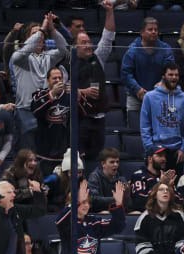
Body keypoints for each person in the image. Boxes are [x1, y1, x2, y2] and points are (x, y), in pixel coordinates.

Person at [9, 13, 68, 151]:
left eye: (41, 35)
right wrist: (42, 29)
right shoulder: (19, 58)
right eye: (34, 34)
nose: (40, 37)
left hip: (46, 109)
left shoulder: (48, 56)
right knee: (28, 154)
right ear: (26, 39)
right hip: (25, 110)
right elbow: (24, 51)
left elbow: (63, 50)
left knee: (43, 153)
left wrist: (52, 30)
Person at [74, 1, 115, 163]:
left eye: (89, 42)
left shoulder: (98, 57)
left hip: (99, 119)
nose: (89, 45)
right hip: (79, 120)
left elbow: (108, 36)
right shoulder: (67, 63)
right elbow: (61, 88)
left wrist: (110, 11)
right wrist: (82, 92)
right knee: (78, 161)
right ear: (74, 46)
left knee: (95, 159)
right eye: (83, 43)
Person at [121, 17, 175, 129]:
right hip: (136, 96)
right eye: (150, 29)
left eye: (156, 29)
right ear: (141, 32)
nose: (154, 32)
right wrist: (137, 89)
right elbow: (126, 73)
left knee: (158, 129)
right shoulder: (132, 50)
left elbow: (170, 70)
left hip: (159, 96)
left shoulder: (165, 49)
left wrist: (162, 83)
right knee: (135, 131)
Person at [140, 62, 184, 175]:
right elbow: (145, 125)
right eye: (170, 74)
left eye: (176, 75)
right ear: (163, 76)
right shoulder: (150, 97)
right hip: (157, 150)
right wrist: (150, 149)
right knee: (156, 188)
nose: (174, 78)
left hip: (177, 151)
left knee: (175, 189)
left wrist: (183, 148)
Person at [134, 182, 184, 254]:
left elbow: (183, 242)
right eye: (161, 190)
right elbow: (141, 246)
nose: (165, 192)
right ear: (154, 195)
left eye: (168, 190)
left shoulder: (179, 216)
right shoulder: (144, 218)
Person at [30, 68, 71, 176]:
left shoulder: (70, 96)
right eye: (54, 78)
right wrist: (52, 94)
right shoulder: (40, 94)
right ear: (48, 81)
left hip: (65, 152)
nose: (58, 80)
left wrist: (79, 94)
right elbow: (35, 110)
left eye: (60, 78)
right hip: (46, 153)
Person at [129, 146, 173, 213]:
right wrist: (160, 184)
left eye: (164, 156)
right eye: (160, 156)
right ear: (150, 159)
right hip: (147, 215)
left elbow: (179, 200)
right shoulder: (139, 176)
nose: (164, 159)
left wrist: (171, 189)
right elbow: (139, 202)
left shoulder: (166, 176)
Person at [87, 148, 129, 213]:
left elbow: (126, 204)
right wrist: (115, 199)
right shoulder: (94, 177)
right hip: (99, 213)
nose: (116, 165)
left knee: (136, 213)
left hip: (117, 211)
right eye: (112, 162)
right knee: (105, 213)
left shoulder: (121, 178)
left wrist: (127, 194)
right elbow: (94, 200)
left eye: (117, 162)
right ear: (103, 164)